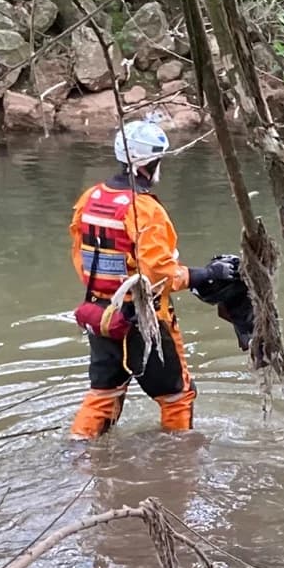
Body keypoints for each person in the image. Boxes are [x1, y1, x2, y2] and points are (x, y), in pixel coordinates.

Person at [66, 118, 236, 436]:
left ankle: (77, 455)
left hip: (100, 315)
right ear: (151, 162)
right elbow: (160, 275)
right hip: (146, 319)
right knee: (177, 396)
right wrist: (205, 275)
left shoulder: (90, 199)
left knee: (103, 394)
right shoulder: (145, 209)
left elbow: (81, 258)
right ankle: (178, 465)